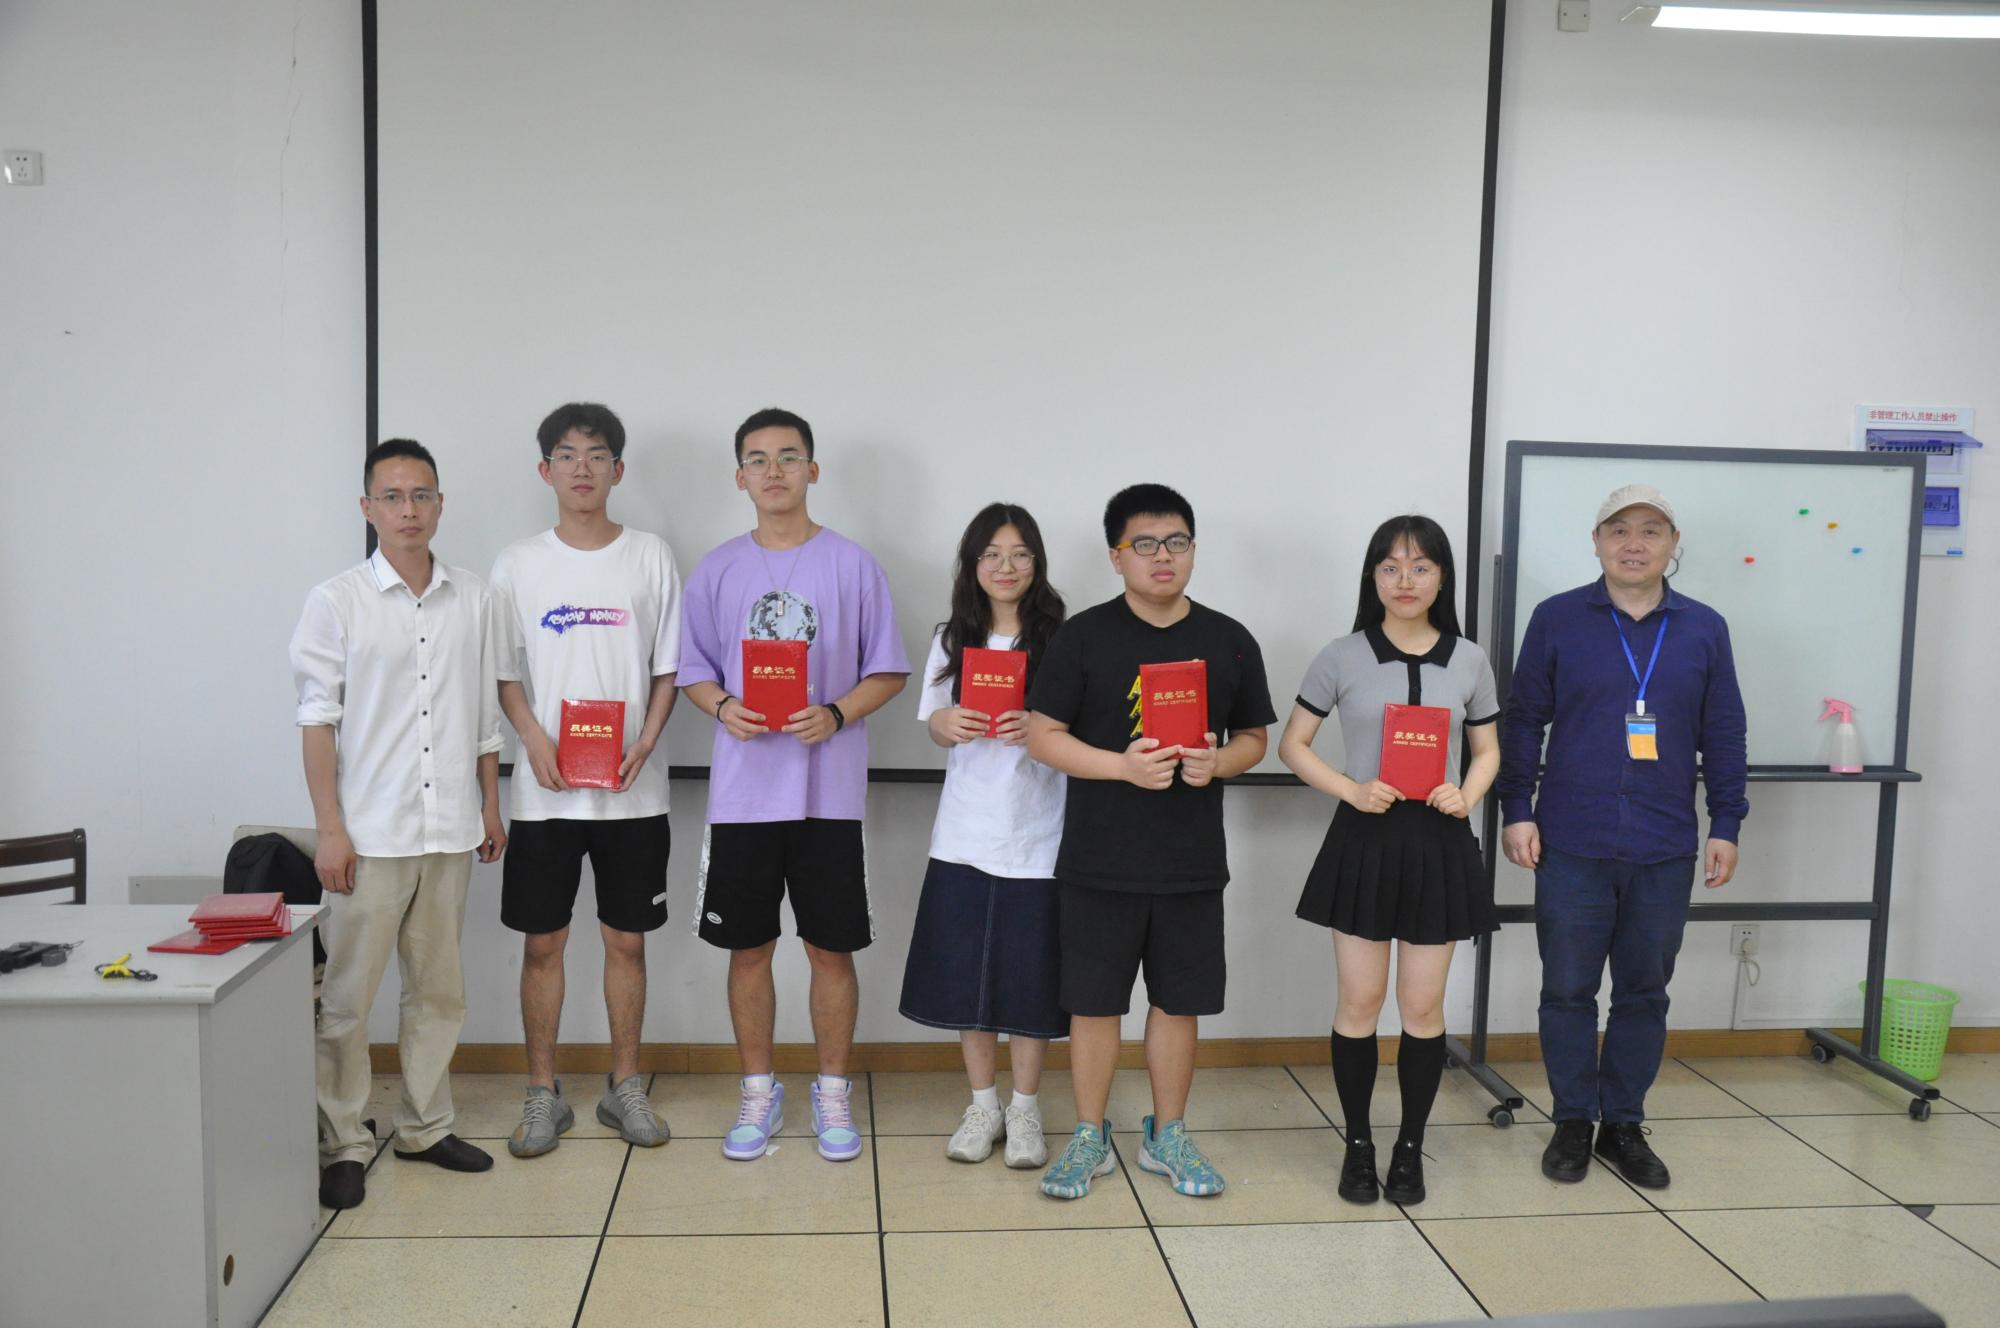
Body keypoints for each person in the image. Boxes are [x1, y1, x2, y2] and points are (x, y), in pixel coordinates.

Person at [1026, 483, 1275, 1201]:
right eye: (1144, 544)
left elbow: (1254, 737)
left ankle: (1169, 1134)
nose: (1162, 557)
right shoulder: (1083, 637)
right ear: (1117, 556)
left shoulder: (1229, 638)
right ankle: (1089, 1135)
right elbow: (1042, 736)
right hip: (1098, 859)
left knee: (1177, 1001)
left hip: (1190, 861)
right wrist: (1122, 768)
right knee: (1094, 1004)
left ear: (1193, 550)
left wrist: (1218, 762)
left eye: (1177, 542)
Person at [677, 407, 910, 1163]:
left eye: (787, 456)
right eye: (757, 459)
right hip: (744, 796)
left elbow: (887, 670)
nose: (773, 471)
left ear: (813, 469)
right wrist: (724, 707)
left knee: (829, 951)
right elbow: (692, 671)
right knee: (748, 951)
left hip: (827, 797)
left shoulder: (853, 565)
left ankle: (832, 1091)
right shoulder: (716, 569)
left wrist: (837, 713)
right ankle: (759, 1090)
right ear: (739, 476)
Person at [1498, 484, 1747, 1190]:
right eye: (1619, 530)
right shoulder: (1557, 618)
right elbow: (1523, 720)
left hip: (1664, 844)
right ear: (1597, 541)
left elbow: (1724, 730)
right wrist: (1517, 807)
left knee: (1643, 992)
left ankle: (1624, 1124)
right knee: (1567, 989)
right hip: (1571, 840)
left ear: (1673, 544)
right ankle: (1574, 1120)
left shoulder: (1704, 628)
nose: (1634, 544)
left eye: (1651, 530)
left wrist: (1727, 822)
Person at [291, 438, 505, 1210]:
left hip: (449, 827)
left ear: (440, 504)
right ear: (367, 508)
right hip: (370, 834)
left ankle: (424, 1126)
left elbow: (484, 718)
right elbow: (317, 722)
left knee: (439, 992)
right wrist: (330, 829)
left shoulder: (474, 597)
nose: (408, 510)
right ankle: (344, 1140)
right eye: (392, 496)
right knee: (348, 998)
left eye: (421, 495)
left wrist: (489, 803)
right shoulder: (337, 601)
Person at [1278, 516, 1500, 1207]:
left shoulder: (1469, 659)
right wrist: (1351, 788)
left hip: (1439, 842)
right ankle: (1358, 1145)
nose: (1406, 581)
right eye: (1391, 567)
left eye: (1421, 567)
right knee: (1360, 1002)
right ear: (1372, 576)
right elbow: (1293, 745)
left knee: (1422, 1008)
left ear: (1442, 578)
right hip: (1365, 841)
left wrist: (1465, 795)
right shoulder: (1341, 655)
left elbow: (1488, 750)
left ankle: (1409, 1147)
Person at [490, 403, 682, 1156]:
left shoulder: (650, 556)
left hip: (634, 791)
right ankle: (543, 1092)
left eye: (597, 455)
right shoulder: (518, 563)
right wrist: (531, 738)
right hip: (546, 795)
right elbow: (504, 672)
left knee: (626, 941)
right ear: (546, 470)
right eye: (567, 455)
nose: (582, 468)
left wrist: (648, 740)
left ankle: (624, 1085)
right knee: (543, 943)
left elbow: (668, 668)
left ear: (617, 470)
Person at [898, 503, 1068, 1169]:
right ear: (973, 564)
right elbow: (934, 724)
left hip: (1040, 834)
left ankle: (1025, 1109)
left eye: (1020, 554)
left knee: (1029, 977)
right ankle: (982, 1104)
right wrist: (947, 724)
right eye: (992, 554)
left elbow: (1081, 729)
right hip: (965, 832)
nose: (1006, 566)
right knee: (968, 976)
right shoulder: (952, 637)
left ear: (1037, 563)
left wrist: (1039, 727)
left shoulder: (1062, 639)